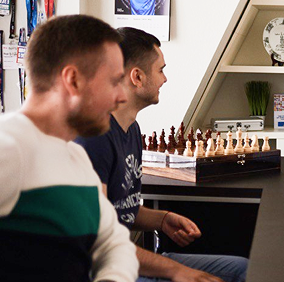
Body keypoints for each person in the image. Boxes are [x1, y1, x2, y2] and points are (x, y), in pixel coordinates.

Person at [75, 27, 248, 282]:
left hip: (124, 260)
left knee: (242, 269)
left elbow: (121, 208)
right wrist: (178, 271)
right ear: (137, 77)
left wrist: (162, 219)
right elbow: (98, 241)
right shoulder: (93, 139)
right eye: (161, 70)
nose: (164, 79)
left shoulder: (131, 128)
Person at [0, 15, 138, 281]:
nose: (121, 97)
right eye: (113, 82)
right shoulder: (9, 147)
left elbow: (114, 243)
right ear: (73, 80)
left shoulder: (76, 158)